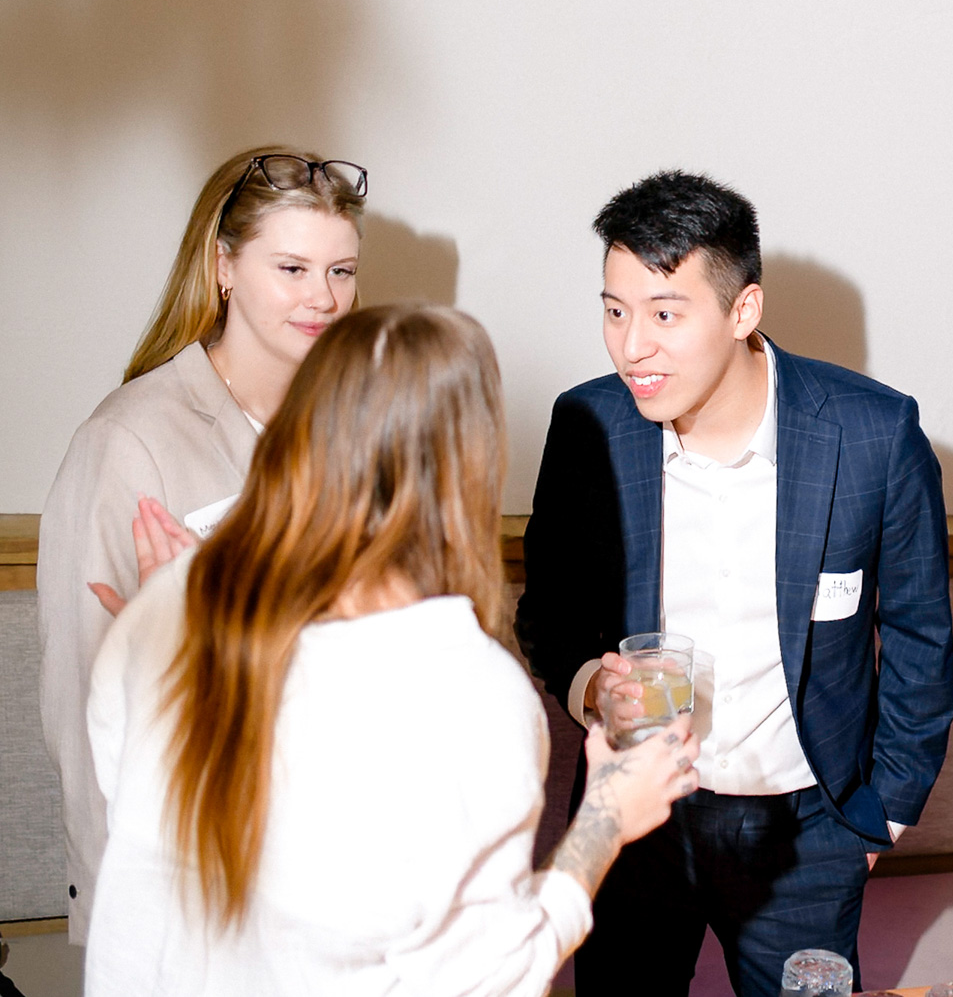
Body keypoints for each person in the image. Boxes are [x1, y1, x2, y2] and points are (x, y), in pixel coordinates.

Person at [84, 304, 699, 997]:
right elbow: (489, 975)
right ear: (467, 467)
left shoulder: (168, 603)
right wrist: (605, 821)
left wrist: (173, 618)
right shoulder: (469, 693)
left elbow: (130, 799)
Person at [515, 170, 953, 997]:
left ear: (743, 310)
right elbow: (549, 614)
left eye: (664, 315)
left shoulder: (873, 433)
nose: (631, 347)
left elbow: (920, 639)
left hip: (810, 835)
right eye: (615, 312)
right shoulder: (588, 425)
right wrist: (591, 689)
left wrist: (880, 820)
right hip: (637, 823)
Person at [37, 148, 367, 943]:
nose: (323, 297)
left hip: (332, 878)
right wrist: (128, 914)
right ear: (223, 267)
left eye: (341, 271)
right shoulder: (127, 440)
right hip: (185, 889)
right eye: (292, 269)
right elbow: (81, 706)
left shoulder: (355, 430)